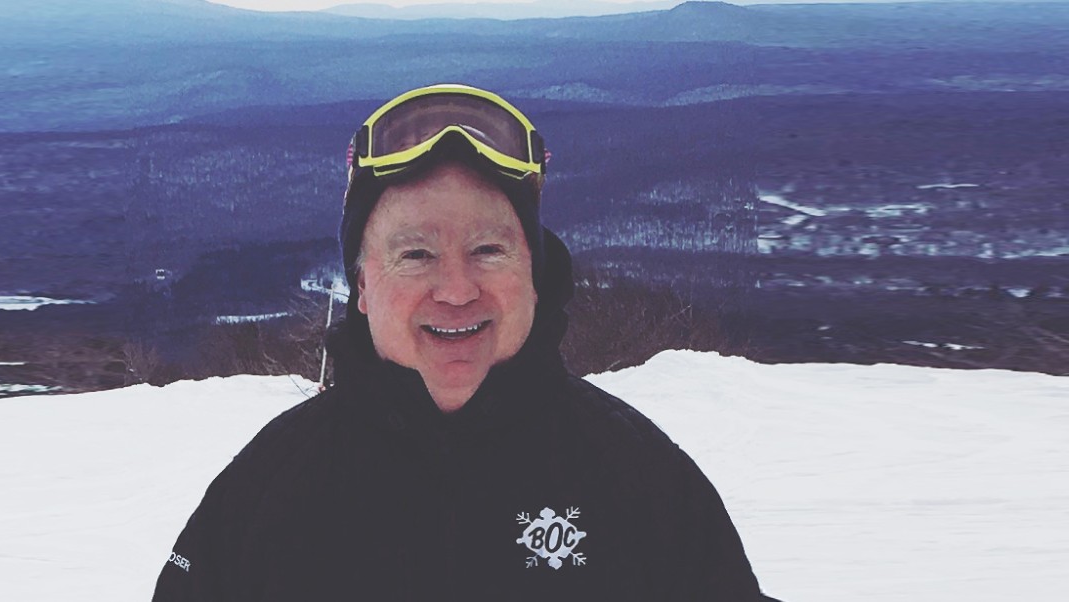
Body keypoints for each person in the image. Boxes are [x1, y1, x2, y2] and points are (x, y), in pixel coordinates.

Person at [153, 84, 772, 601]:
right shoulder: (271, 486)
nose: (455, 290)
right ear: (364, 286)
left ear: (534, 274)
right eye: (416, 254)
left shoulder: (640, 477)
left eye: (488, 249)